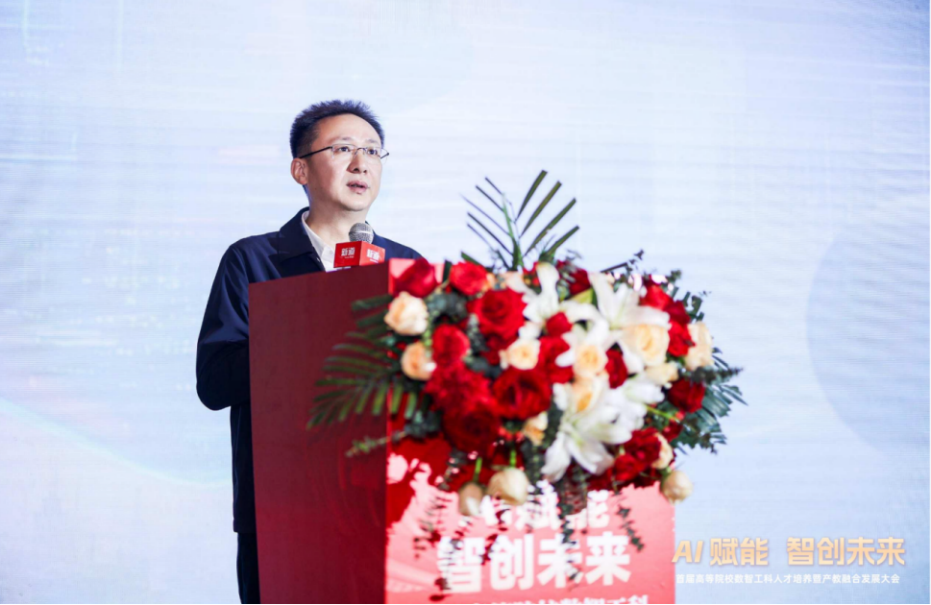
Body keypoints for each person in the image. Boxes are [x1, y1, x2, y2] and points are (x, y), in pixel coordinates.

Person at [195, 100, 421, 604]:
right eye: (342, 149)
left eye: (372, 151)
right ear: (300, 169)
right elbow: (214, 383)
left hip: (387, 506)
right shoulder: (254, 260)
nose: (361, 163)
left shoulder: (407, 266)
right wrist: (316, 325)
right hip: (283, 508)